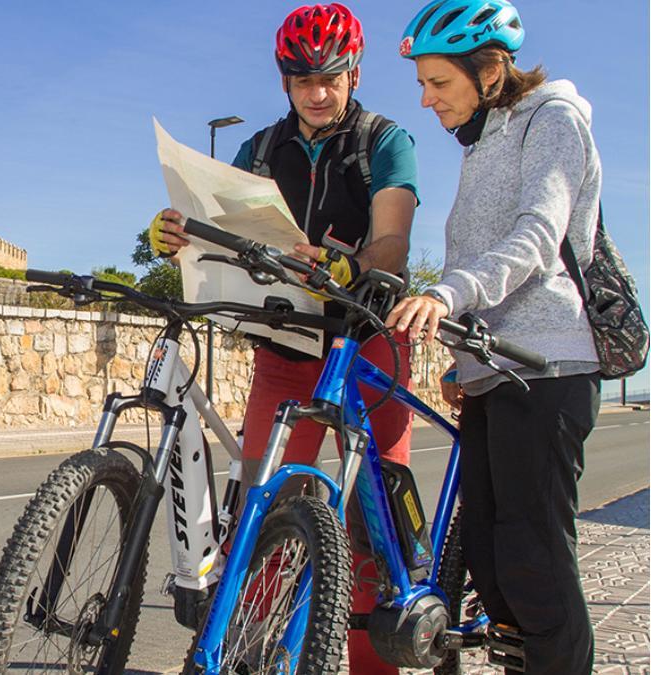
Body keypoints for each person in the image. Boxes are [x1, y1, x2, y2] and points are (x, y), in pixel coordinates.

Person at [151, 4, 419, 673]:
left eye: (329, 76)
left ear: (353, 72)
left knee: (373, 517)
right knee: (263, 510)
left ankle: (373, 664)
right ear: (284, 80)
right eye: (302, 79)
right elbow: (219, 222)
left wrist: (351, 267)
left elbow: (393, 238)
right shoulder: (262, 149)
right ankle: (246, 651)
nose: (318, 91)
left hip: (367, 344)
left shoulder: (385, 140)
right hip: (287, 346)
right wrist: (179, 233)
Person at [386, 1, 601, 673]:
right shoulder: (487, 138)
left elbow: (536, 237)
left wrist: (445, 295)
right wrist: (462, 358)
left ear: (488, 69)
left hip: (547, 365)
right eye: (422, 84)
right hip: (492, 370)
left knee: (533, 559)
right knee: (489, 559)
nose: (426, 100)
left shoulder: (552, 119)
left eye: (438, 83)